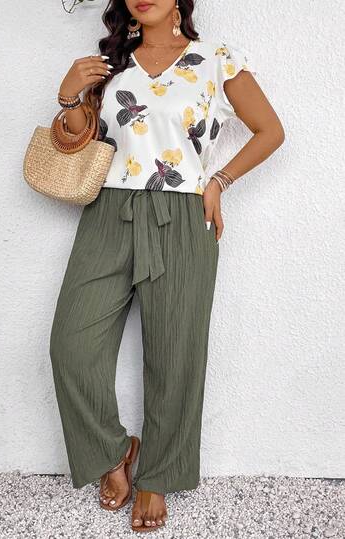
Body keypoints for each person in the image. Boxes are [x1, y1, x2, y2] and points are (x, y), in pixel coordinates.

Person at [49, 0, 285, 532]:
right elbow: (80, 140)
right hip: (107, 211)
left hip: (182, 215)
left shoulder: (216, 59)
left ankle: (157, 476)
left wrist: (218, 182)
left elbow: (270, 130)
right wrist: (69, 95)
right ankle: (113, 451)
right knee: (71, 345)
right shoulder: (112, 63)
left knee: (176, 354)